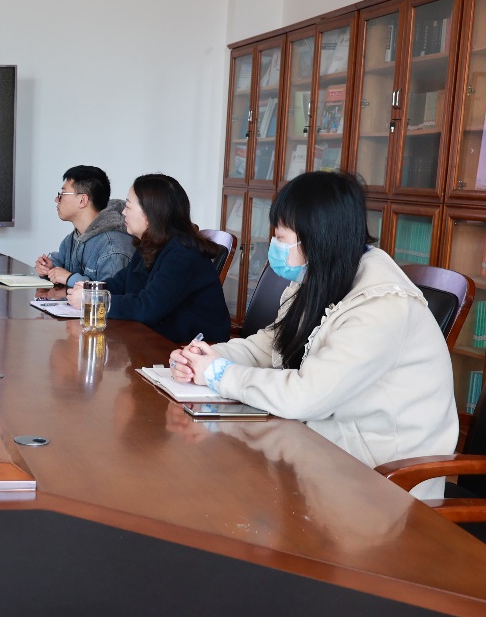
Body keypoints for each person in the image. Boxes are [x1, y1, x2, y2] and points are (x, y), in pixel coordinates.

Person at [170, 171, 457, 500]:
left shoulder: (382, 308)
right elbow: (270, 345)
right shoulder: (319, 279)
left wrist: (220, 374)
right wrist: (209, 358)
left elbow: (305, 396)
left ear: (317, 238)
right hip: (322, 449)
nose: (274, 246)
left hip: (381, 483)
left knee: (228, 491)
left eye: (281, 237)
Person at [67, 173, 229, 343]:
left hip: (191, 349)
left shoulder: (183, 252)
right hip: (158, 339)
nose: (123, 212)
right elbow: (120, 284)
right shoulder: (150, 244)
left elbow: (146, 308)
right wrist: (90, 290)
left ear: (150, 213)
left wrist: (93, 301)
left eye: (128, 206)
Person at [35, 165, 135, 286]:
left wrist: (70, 278)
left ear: (82, 200)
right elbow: (61, 262)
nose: (57, 199)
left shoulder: (113, 247)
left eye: (63, 193)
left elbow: (108, 293)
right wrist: (50, 267)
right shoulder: (73, 238)